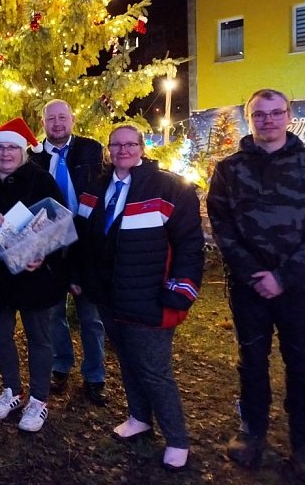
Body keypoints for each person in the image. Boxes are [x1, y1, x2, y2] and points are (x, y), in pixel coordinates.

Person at [207, 89, 305, 485]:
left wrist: (283, 277)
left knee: (302, 367)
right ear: (249, 119)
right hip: (250, 289)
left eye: (275, 113)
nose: (267, 121)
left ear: (288, 115)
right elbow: (222, 228)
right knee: (252, 363)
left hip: (298, 289)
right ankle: (252, 433)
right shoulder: (229, 170)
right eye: (259, 115)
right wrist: (255, 274)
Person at [75, 124, 203, 471]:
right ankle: (139, 417)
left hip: (149, 294)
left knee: (153, 368)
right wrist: (78, 278)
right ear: (108, 149)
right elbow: (83, 239)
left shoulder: (169, 187)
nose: (123, 150)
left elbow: (190, 243)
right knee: (128, 359)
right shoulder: (95, 187)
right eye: (116, 145)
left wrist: (182, 287)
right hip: (108, 294)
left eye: (130, 144)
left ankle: (177, 438)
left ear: (142, 147)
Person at [0, 117, 69, 433]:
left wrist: (43, 254)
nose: (5, 153)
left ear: (23, 151)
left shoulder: (40, 181)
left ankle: (39, 400)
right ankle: (12, 390)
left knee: (39, 337)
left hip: (34, 277)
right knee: (0, 335)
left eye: (12, 148)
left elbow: (62, 225)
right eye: (0, 147)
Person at [28, 99, 106, 403]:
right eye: (51, 119)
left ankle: (94, 375)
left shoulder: (90, 149)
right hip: (51, 243)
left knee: (90, 314)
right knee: (53, 313)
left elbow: (100, 189)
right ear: (44, 122)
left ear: (72, 119)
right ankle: (61, 367)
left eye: (63, 117)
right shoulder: (33, 157)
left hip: (85, 241)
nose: (57, 124)